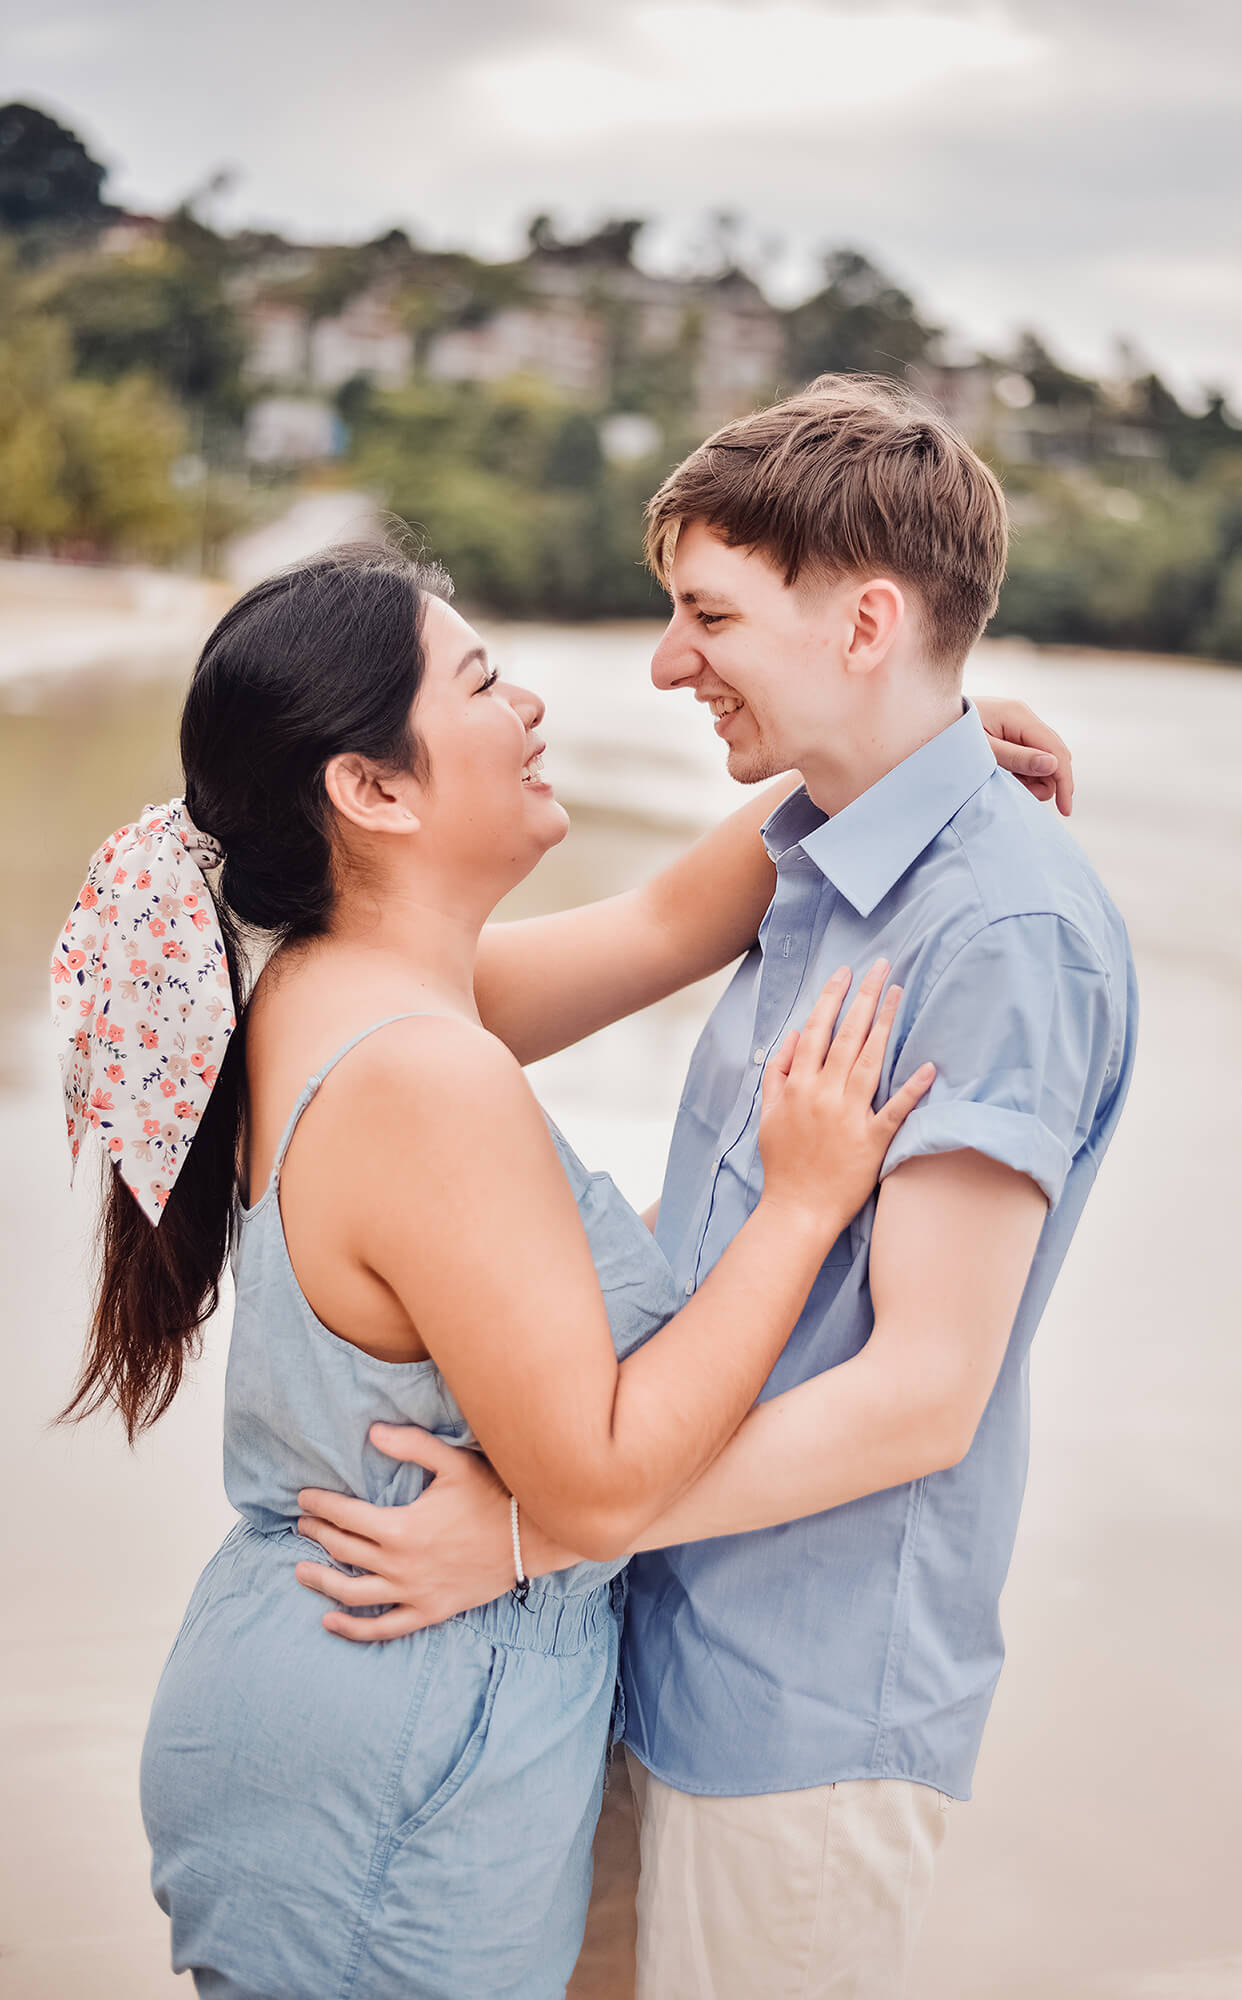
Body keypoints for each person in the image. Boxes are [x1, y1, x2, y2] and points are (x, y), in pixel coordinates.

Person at [52, 540, 1064, 1999]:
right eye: (478, 681)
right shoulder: (421, 1076)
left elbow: (664, 924)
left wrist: (901, 755)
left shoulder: (332, 991)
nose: (527, 704)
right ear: (372, 790)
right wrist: (798, 1207)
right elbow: (593, 1484)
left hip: (339, 1702)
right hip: (392, 1756)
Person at [294, 378, 1137, 1998]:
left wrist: (535, 1529)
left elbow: (920, 1397)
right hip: (645, 1647)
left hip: (798, 1718)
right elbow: (506, 976)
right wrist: (909, 764)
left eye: (706, 615)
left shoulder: (999, 932)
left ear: (867, 620)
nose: (670, 662)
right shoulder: (815, 863)